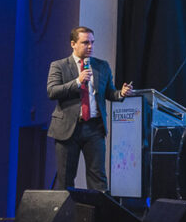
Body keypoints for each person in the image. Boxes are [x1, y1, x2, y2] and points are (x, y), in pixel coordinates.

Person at [47, 26, 133, 191]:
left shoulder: (102, 66)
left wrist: (121, 93)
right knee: (65, 179)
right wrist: (77, 82)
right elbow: (52, 91)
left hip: (94, 128)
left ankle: (98, 208)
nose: (90, 46)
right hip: (68, 128)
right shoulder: (59, 66)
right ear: (73, 44)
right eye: (85, 42)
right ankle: (66, 209)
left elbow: (110, 93)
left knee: (98, 177)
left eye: (92, 42)